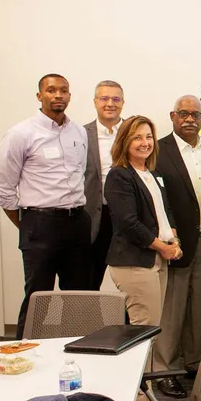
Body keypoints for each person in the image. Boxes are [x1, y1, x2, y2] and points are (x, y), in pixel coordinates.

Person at [0, 74, 92, 338]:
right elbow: (3, 190)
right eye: (51, 90)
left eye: (63, 90)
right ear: (40, 96)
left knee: (79, 296)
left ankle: (77, 353)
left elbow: (82, 174)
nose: (58, 95)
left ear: (70, 95)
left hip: (77, 222)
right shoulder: (21, 134)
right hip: (40, 223)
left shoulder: (79, 132)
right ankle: (23, 355)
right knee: (39, 297)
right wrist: (28, 223)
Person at [102, 115, 182, 401]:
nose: (145, 143)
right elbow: (128, 223)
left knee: (149, 331)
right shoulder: (119, 176)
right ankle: (133, 400)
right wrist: (162, 246)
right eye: (137, 137)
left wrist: (173, 238)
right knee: (141, 333)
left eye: (148, 136)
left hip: (157, 258)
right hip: (134, 262)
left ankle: (143, 393)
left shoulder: (150, 173)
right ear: (125, 141)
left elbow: (164, 212)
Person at [153, 95, 201, 400]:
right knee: (172, 309)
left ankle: (195, 363)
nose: (190, 119)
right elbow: (157, 197)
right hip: (177, 243)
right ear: (172, 116)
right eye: (183, 113)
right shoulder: (158, 150)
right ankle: (164, 369)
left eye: (195, 114)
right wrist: (169, 236)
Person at [84, 80, 124, 289]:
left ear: (123, 103)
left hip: (127, 218)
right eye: (104, 98)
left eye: (116, 99)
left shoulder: (133, 131)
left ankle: (131, 323)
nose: (110, 103)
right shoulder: (81, 134)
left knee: (131, 282)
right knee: (89, 281)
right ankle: (88, 322)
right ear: (95, 102)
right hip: (95, 217)